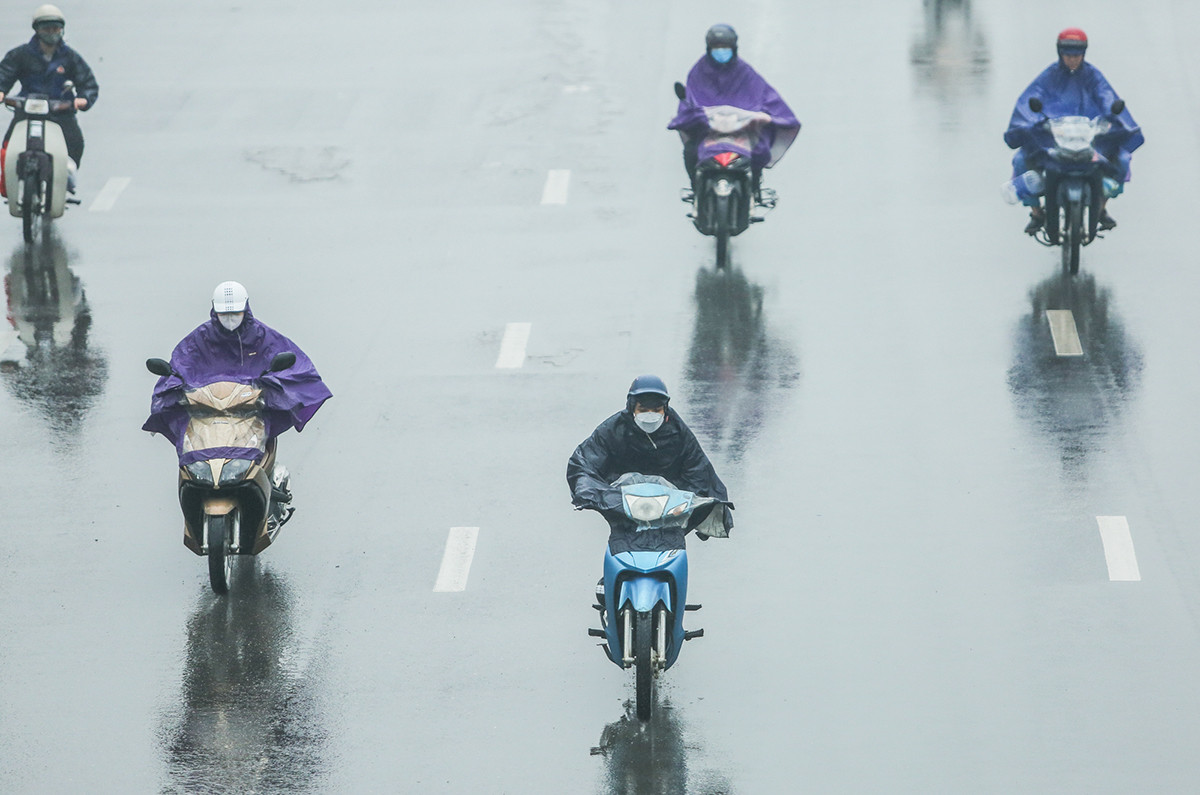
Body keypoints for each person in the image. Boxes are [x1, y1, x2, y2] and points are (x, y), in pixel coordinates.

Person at [142, 281, 332, 523]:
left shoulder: (262, 337)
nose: (230, 319)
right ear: (215, 311)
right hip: (207, 412)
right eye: (224, 314)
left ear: (246, 309)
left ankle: (266, 484)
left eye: (235, 313)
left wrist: (271, 385)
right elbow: (180, 366)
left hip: (249, 411)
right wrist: (173, 389)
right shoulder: (199, 339)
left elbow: (294, 366)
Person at [567, 375, 733, 556]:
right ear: (632, 408)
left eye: (656, 409)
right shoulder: (613, 430)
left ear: (665, 409)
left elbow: (698, 469)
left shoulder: (678, 432)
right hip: (624, 507)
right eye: (643, 409)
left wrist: (699, 501)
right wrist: (590, 490)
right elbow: (584, 462)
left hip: (668, 510)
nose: (650, 414)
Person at [1004, 28, 1143, 234]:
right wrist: (1032, 120)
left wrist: (1111, 115)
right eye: (1068, 55)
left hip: (1090, 137)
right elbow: (1032, 98)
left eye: (1076, 55)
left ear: (1083, 54)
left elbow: (1106, 96)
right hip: (1053, 138)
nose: (1072, 59)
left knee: (1122, 160)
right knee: (1021, 161)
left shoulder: (1093, 76)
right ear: (1060, 53)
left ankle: (1101, 207)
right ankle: (1036, 212)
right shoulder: (1049, 76)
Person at [668, 24, 799, 199]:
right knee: (691, 151)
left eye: (725, 48)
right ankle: (696, 190)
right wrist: (691, 116)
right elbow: (691, 99)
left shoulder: (745, 73)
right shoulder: (698, 72)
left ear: (734, 48)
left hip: (741, 130)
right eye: (717, 48)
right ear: (709, 48)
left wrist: (765, 116)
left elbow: (764, 96)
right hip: (709, 130)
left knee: (760, 150)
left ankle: (754, 187)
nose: (721, 52)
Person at [0, 5, 98, 194]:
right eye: (47, 28)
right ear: (37, 30)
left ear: (62, 30)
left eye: (56, 28)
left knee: (75, 143)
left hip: (60, 112)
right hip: (27, 110)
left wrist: (83, 99)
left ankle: (66, 179)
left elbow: (87, 82)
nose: (52, 33)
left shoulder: (70, 57)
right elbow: (4, 74)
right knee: (7, 146)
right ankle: (7, 184)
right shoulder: (21, 55)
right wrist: (1, 91)